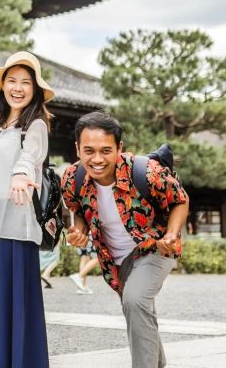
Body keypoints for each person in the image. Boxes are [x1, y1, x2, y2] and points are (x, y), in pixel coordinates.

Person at [62, 112, 190, 368]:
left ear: (119, 148)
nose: (97, 159)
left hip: (155, 246)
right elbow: (80, 212)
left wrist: (172, 234)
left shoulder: (147, 172)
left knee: (135, 300)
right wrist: (79, 231)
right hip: (116, 258)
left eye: (105, 150)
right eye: (88, 150)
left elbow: (180, 200)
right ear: (77, 148)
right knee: (138, 309)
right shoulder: (72, 179)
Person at [0, 51, 53, 368]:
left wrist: (20, 175)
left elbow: (29, 158)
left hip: (14, 227)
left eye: (25, 83)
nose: (18, 88)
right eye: (11, 81)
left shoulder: (36, 125)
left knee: (13, 306)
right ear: (2, 86)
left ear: (35, 89)